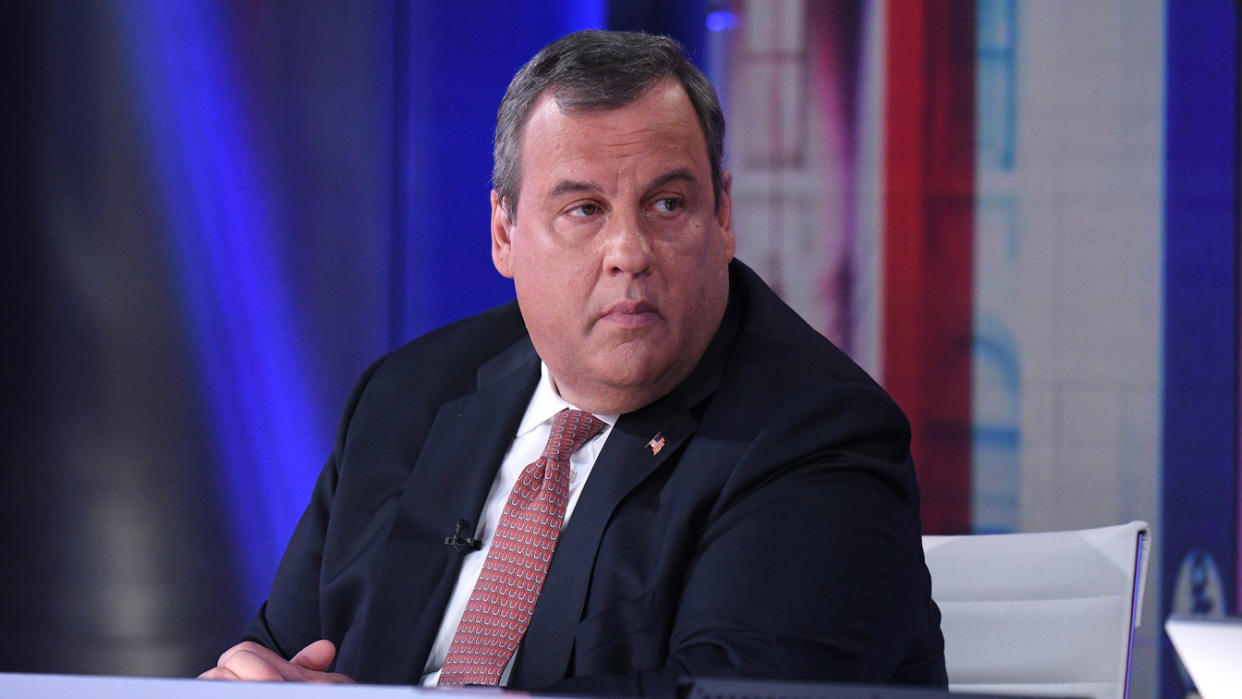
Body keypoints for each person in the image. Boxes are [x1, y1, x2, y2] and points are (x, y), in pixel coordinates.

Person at [199, 30, 946, 695]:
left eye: (666, 204)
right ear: (504, 232)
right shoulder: (408, 397)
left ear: (722, 217)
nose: (629, 252)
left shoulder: (816, 436)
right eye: (584, 209)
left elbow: (728, 691)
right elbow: (282, 656)